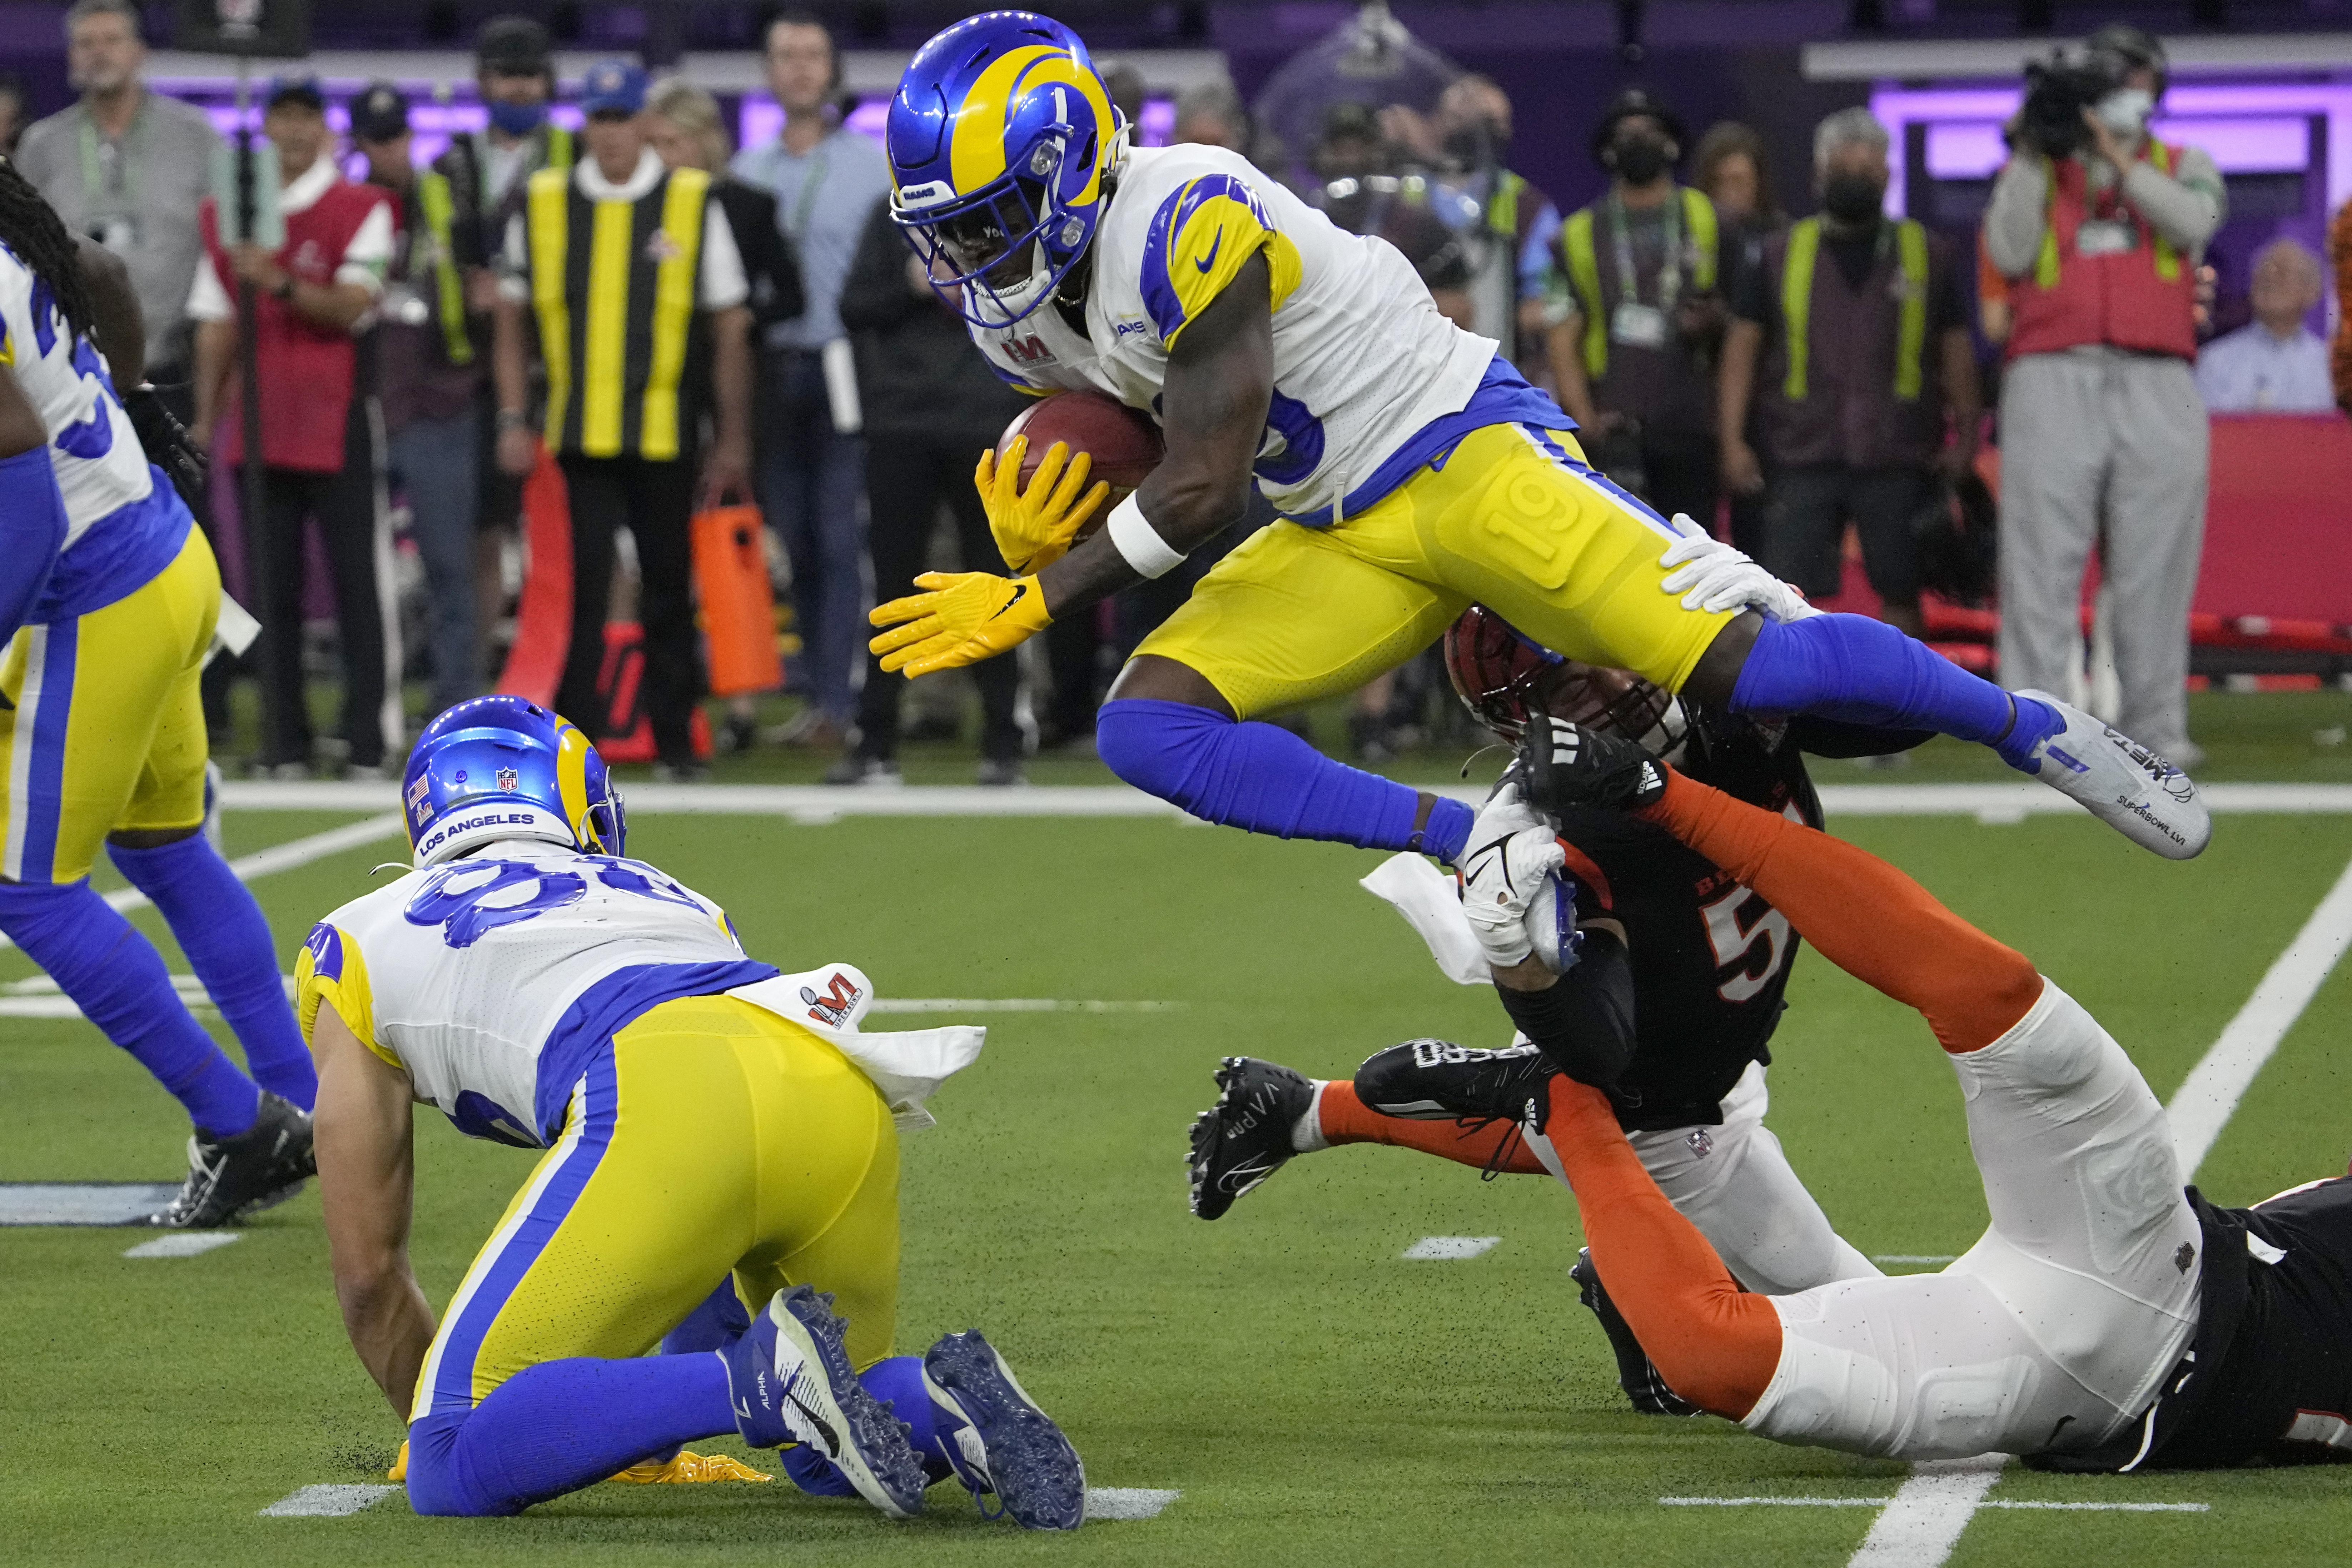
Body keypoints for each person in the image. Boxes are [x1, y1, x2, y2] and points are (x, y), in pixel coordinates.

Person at [868, 10, 2210, 878]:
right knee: (1148, 731)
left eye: (983, 220)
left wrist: (1042, 593)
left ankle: (2037, 728)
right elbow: (1158, 440)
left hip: (1461, 456)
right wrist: (1051, 509)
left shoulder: (1186, 208)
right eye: (944, 228)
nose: (962, 257)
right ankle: (1482, 847)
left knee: (1752, 663)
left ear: (1072, 163)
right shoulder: (1018, 323)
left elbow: (1204, 480)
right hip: (1339, 527)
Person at [1383, 707, 2352, 1471]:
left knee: (1717, 1356)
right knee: (1991, 995)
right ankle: (1651, 818)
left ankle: (1559, 1095)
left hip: (2101, 1361)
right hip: (2155, 1254)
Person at [299, 695, 1084, 1523]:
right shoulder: (672, 894)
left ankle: (768, 1380)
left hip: (660, 1092)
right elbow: (707, 1231)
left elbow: (369, 1275)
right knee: (830, 1440)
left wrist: (465, 1430)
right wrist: (649, 1424)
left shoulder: (357, 937)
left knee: (452, 1457)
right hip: (832, 1084)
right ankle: (935, 1401)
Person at [1189, 604, 1925, 1411]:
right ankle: (1565, 1168)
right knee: (1884, 1349)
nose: (1613, 684)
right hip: (1666, 1091)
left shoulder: (1734, 699)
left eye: (1615, 652)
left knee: (1625, 1131)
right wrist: (1520, 963)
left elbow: (1900, 722)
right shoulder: (1562, 829)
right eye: (1572, 685)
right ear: (1519, 715)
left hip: (1717, 1034)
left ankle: (1311, 1111)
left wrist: (1806, 636)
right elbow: (1598, 1051)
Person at [0, 160, 316, 1227]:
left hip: (91, 586)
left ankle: (240, 1122)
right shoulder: (20, 231)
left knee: (26, 885)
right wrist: (128, 398)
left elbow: (25, 494)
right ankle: (310, 1101)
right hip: (162, 553)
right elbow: (99, 266)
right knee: (165, 845)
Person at [492, 61, 755, 782]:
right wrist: (515, 414)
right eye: (600, 118)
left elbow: (730, 323)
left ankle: (677, 738)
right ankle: (577, 744)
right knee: (577, 585)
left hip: (666, 429)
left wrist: (732, 435)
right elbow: (511, 320)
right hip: (575, 433)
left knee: (669, 581)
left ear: (644, 121)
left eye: (622, 117)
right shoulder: (545, 200)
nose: (611, 133)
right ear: (586, 122)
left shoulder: (691, 200)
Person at [1984, 24, 2224, 765]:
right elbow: (2010, 250)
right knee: (2039, 564)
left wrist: (2121, 162)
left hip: (2162, 378)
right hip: (2051, 372)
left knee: (2156, 568)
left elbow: (2194, 224)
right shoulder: (2038, 165)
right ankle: (2031, 731)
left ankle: (2156, 731)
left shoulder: (2186, 163)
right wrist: (2033, 149)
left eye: (2131, 78)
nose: (2119, 91)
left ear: (2154, 90)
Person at [187, 74, 400, 780]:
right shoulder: (230, 212)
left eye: (309, 115)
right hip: (257, 421)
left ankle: (367, 734)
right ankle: (285, 737)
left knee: (356, 582)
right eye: (284, 115)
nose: (296, 129)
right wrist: (204, 418)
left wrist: (277, 280)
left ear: (327, 130)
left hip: (336, 413)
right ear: (269, 127)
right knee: (265, 586)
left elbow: (354, 305)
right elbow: (217, 320)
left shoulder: (362, 206)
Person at [1720, 109, 1979, 642]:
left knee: (1902, 588)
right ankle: (1790, 707)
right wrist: (1730, 440)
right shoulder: (1778, 253)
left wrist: (1968, 436)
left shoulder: (1927, 253)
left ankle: (1903, 707)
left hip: (1897, 452)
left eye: (1869, 170)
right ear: (1817, 177)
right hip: (1800, 449)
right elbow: (1742, 348)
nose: (1858, 180)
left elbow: (1954, 349)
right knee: (1781, 591)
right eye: (1845, 170)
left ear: (1887, 177)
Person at [732, 11, 894, 750]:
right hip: (772, 366)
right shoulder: (746, 172)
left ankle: (847, 698)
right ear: (767, 71)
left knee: (839, 535)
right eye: (785, 56)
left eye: (812, 55)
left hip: (844, 363)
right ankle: (817, 696)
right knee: (792, 538)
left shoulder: (871, 166)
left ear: (832, 70)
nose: (799, 69)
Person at [829, 200, 1029, 787]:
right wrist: (912, 285)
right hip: (902, 421)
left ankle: (1004, 743)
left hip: (985, 420)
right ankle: (875, 741)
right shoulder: (893, 218)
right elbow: (852, 307)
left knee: (993, 584)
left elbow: (1045, 303)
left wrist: (979, 281)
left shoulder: (1009, 208)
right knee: (892, 587)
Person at [644, 76, 807, 757]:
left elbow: (790, 295)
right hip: (658, 390)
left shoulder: (745, 204)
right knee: (657, 551)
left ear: (704, 140)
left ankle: (742, 698)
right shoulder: (640, 208)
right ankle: (669, 694)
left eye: (671, 141)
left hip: (736, 391)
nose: (662, 154)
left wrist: (730, 323)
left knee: (731, 545)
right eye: (654, 142)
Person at [435, 16, 576, 646]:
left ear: (547, 83)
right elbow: (425, 254)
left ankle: (579, 659)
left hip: (565, 357)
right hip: (468, 367)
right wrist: (460, 290)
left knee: (573, 526)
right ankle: (487, 660)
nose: (518, 90)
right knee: (482, 527)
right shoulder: (449, 166)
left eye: (528, 76)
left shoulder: (578, 155)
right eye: (505, 76)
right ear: (482, 82)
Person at [353, 83, 484, 725]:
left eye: (397, 137)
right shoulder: (349, 207)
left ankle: (456, 707)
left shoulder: (447, 200)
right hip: (367, 407)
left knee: (449, 568)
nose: (390, 150)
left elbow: (485, 287)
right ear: (360, 144)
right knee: (366, 582)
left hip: (438, 405)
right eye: (377, 140)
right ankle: (374, 713)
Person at [18, 0, 224, 405]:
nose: (99, 52)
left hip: (175, 365)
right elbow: (24, 252)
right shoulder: (42, 145)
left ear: (139, 52)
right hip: (72, 365)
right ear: (71, 56)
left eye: (112, 40)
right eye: (86, 43)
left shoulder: (197, 138)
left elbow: (226, 250)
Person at [1541, 88, 1727, 525]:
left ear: (1670, 144)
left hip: (1690, 419)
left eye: (1649, 132)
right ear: (1607, 150)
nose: (1638, 141)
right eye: (1626, 134)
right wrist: (1583, 420)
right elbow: (1561, 332)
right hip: (1611, 419)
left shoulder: (1711, 220)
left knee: (1694, 553)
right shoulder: (1576, 235)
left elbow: (1743, 326)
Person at [1694, 121, 1783, 561]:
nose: (1732, 193)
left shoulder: (1782, 245)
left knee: (1759, 538)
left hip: (1765, 407)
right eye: (1722, 182)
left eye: (1742, 182)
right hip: (1692, 402)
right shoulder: (1690, 238)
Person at [2194, 237, 2334, 413]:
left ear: (2313, 291)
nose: (2270, 280)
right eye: (2264, 272)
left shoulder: (2330, 367)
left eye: (2283, 273)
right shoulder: (2215, 361)